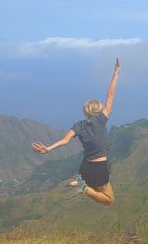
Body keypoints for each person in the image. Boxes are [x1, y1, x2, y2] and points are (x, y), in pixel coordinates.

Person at [31, 58, 121, 205]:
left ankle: (79, 181)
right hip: (99, 167)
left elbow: (65, 141)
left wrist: (47, 149)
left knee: (89, 178)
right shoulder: (102, 119)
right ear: (99, 110)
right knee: (109, 200)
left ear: (86, 112)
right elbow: (110, 96)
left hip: (85, 167)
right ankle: (84, 187)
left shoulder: (78, 126)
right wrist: (116, 73)